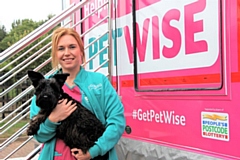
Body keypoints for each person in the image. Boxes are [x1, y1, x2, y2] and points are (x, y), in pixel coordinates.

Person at [29, 27, 126, 160]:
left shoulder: (99, 82)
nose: (67, 53)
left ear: (81, 50)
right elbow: (39, 136)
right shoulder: (43, 88)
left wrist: (94, 151)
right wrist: (53, 119)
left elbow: (117, 121)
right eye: (61, 48)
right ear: (55, 54)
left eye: (72, 47)